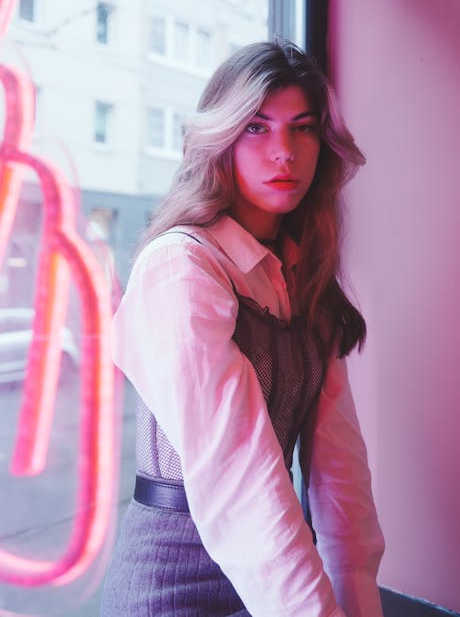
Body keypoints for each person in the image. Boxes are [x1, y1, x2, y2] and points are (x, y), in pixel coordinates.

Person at [100, 41, 385, 616]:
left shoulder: (301, 272)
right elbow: (238, 477)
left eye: (302, 129)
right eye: (257, 128)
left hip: (274, 572)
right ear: (220, 137)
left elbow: (339, 472)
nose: (285, 152)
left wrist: (357, 601)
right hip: (172, 582)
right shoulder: (180, 266)